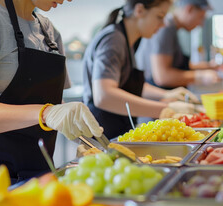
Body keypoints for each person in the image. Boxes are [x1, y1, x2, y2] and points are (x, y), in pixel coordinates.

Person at [0, 0, 103, 196]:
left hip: (38, 170)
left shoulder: (48, 30)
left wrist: (87, 136)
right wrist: (45, 113)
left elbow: (51, 102)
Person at [83, 0, 198, 139]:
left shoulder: (127, 40)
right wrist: (166, 109)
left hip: (116, 131)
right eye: (160, 16)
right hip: (103, 133)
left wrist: (165, 95)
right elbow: (104, 96)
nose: (163, 24)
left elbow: (128, 86)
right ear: (139, 10)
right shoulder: (113, 39)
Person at [136, 0, 220, 89]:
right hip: (156, 95)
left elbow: (176, 65)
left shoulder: (172, 28)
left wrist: (208, 66)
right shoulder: (166, 27)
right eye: (201, 17)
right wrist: (200, 76)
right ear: (189, 9)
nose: (201, 24)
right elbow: (162, 77)